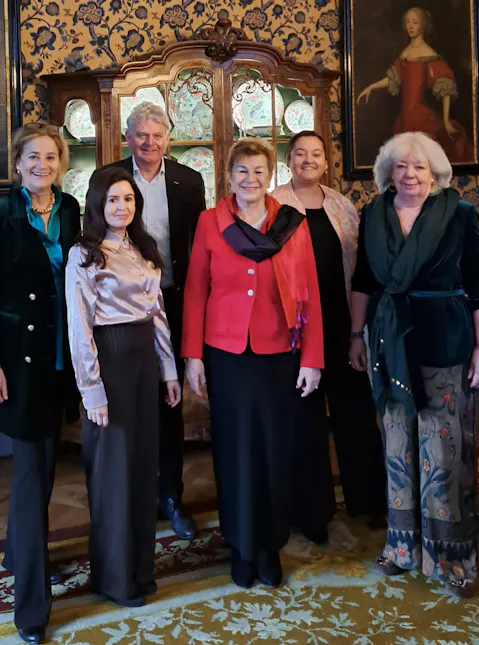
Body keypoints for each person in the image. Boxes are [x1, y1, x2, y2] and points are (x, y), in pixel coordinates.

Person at [350, 131, 479, 599]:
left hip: (445, 343)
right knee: (397, 447)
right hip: (390, 343)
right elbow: (364, 282)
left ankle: (452, 557)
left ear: (435, 172)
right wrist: (356, 334)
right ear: (387, 173)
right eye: (400, 167)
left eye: (419, 167)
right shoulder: (372, 215)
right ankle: (402, 547)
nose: (410, 175)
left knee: (443, 451)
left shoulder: (460, 214)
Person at [182, 138, 324, 589]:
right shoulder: (210, 222)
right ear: (228, 177)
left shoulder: (291, 225)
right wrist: (192, 357)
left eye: (259, 171)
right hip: (226, 356)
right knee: (233, 451)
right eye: (242, 171)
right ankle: (241, 547)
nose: (250, 179)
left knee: (273, 452)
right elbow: (194, 292)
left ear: (271, 175)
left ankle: (270, 546)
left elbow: (311, 293)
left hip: (279, 353)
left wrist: (312, 360)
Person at [0, 123, 80, 644]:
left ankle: (18, 554)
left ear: (61, 162)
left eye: (51, 157)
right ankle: (32, 607)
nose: (42, 165)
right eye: (32, 157)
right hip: (17, 365)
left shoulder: (71, 210)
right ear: (17, 163)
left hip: (63, 364)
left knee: (44, 470)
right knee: (33, 476)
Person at [66, 166, 183, 607]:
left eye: (129, 200)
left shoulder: (144, 249)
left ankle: (140, 571)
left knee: (141, 470)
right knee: (113, 474)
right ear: (98, 204)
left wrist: (169, 371)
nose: (122, 207)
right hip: (108, 362)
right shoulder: (84, 254)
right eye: (113, 200)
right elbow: (80, 328)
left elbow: (159, 316)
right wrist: (91, 390)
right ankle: (115, 579)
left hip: (143, 364)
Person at [271, 131, 387, 544]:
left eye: (316, 154)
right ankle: (311, 512)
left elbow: (358, 268)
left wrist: (359, 331)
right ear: (289, 160)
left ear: (326, 161)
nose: (308, 159)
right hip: (296, 330)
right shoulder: (274, 205)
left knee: (355, 414)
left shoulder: (341, 205)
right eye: (300, 153)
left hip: (341, 325)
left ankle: (369, 500)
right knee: (304, 422)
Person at [103, 102, 206, 540]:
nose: (148, 142)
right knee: (128, 406)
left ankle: (171, 496)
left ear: (168, 138)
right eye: (140, 134)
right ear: (128, 137)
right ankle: (131, 498)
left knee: (169, 405)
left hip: (174, 305)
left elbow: (198, 246)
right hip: (121, 316)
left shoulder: (189, 180)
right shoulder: (107, 179)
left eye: (156, 134)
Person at [356, 7, 470, 163]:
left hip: (420, 117)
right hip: (405, 117)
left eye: (415, 22)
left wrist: (445, 120)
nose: (410, 26)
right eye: (408, 22)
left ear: (422, 25)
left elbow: (445, 87)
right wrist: (371, 87)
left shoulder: (428, 54)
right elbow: (394, 77)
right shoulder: (406, 52)